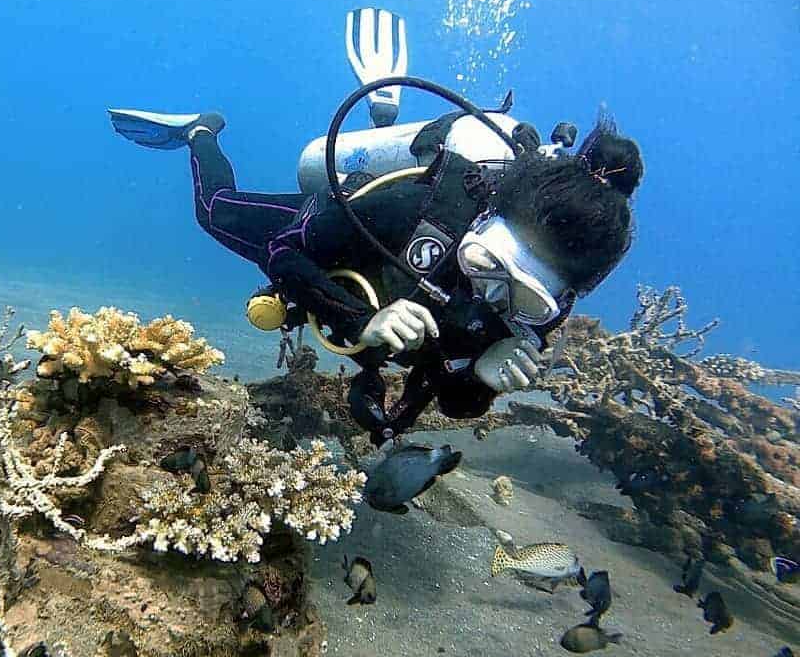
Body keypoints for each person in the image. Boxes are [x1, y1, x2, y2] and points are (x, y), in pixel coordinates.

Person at [108, 105, 643, 446]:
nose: (489, 294)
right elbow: (284, 251)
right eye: (488, 263)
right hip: (353, 240)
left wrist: (480, 382)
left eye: (525, 297)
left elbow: (443, 391)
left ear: (560, 297)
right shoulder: (427, 207)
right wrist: (363, 320)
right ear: (486, 222)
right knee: (214, 210)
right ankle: (201, 129)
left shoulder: (533, 321)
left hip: (378, 288)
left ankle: (384, 121)